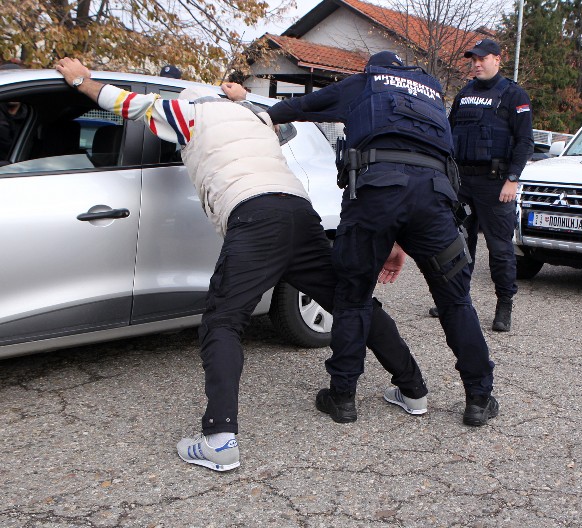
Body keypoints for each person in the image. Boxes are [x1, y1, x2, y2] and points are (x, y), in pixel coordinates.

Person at [54, 57, 428, 471]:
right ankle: (413, 389)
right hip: (298, 213)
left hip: (255, 216)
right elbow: (274, 114)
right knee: (347, 301)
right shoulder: (254, 119)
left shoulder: (188, 112)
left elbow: (128, 104)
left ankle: (219, 439)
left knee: (223, 319)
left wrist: (81, 80)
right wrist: (242, 97)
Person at [224, 51, 499, 427]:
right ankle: (479, 399)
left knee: (352, 298)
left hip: (375, 194)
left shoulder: (366, 84)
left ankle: (343, 398)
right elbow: (422, 161)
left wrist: (245, 103)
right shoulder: (434, 96)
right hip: (434, 201)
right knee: (456, 301)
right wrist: (402, 239)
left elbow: (297, 107)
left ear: (373, 68)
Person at [428, 39, 534, 332]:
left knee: (500, 249)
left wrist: (513, 179)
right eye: (472, 59)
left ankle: (504, 305)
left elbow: (526, 142)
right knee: (458, 244)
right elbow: (449, 137)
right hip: (463, 181)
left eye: (482, 58)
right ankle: (455, 299)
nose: (476, 63)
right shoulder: (464, 94)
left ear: (498, 59)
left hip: (496, 183)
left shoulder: (514, 94)